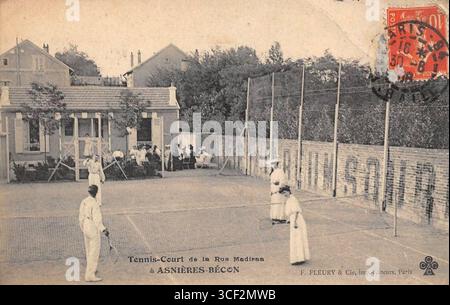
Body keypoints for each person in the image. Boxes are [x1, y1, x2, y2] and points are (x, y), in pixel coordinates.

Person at [79, 185, 109, 282]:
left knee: (89, 250)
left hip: (85, 226)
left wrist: (83, 227)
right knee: (94, 252)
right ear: (96, 193)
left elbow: (80, 216)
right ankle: (90, 275)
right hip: (92, 227)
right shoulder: (95, 204)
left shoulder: (84, 201)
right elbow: (97, 220)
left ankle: (91, 270)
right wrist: (104, 230)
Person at [281, 185, 310, 265]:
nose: (284, 195)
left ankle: (299, 259)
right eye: (283, 194)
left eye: (285, 192)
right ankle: (299, 258)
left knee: (298, 238)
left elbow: (296, 211)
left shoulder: (293, 199)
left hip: (297, 220)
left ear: (288, 191)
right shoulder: (289, 199)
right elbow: (291, 212)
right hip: (294, 219)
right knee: (296, 239)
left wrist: (295, 222)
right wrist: (289, 219)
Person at [269, 159, 287, 224]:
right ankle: (274, 216)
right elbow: (271, 183)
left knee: (279, 204)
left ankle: (280, 217)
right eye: (272, 164)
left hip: (278, 191)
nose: (273, 165)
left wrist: (280, 187)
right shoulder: (273, 173)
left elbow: (283, 181)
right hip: (273, 190)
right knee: (274, 203)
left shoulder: (280, 171)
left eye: (274, 164)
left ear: (277, 164)